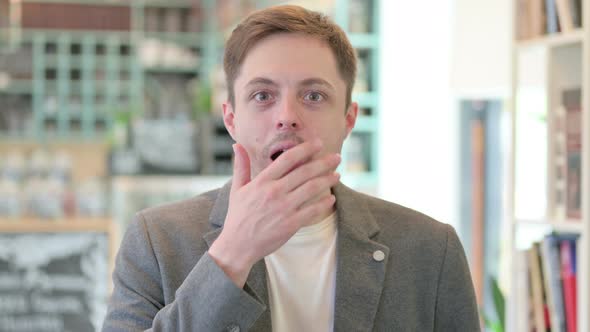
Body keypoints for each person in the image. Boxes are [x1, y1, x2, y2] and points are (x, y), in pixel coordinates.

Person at [102, 5, 480, 332]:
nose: (287, 118)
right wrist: (232, 254)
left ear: (348, 120)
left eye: (313, 95)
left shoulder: (431, 250)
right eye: (262, 96)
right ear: (231, 119)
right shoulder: (156, 241)